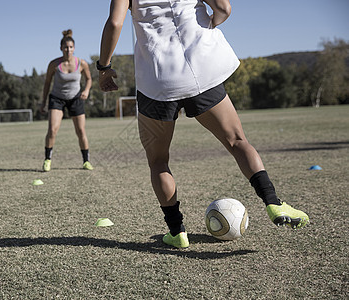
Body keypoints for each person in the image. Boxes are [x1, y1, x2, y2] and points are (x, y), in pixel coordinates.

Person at [98, 0, 309, 248]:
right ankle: (273, 201)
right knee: (237, 141)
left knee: (158, 160)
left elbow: (115, 22)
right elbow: (224, 8)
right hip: (202, 70)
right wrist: (209, 24)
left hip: (158, 80)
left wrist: (104, 68)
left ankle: (177, 232)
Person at [40, 29, 93, 171]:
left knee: (81, 130)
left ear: (74, 48)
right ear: (61, 48)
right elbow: (47, 84)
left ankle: (86, 161)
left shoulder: (82, 63)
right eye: (65, 47)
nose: (68, 50)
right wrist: (43, 102)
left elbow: (89, 79)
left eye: (70, 47)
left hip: (75, 98)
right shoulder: (54, 64)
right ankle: (47, 159)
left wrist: (86, 90)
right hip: (57, 99)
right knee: (52, 129)